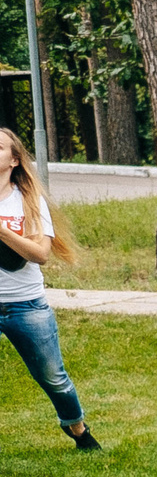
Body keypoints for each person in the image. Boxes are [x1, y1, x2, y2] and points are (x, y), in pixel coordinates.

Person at [0, 128, 98, 451]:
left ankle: (80, 432)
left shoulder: (28, 200)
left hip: (26, 305)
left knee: (53, 377)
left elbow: (40, 254)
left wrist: (2, 232)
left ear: (14, 160)